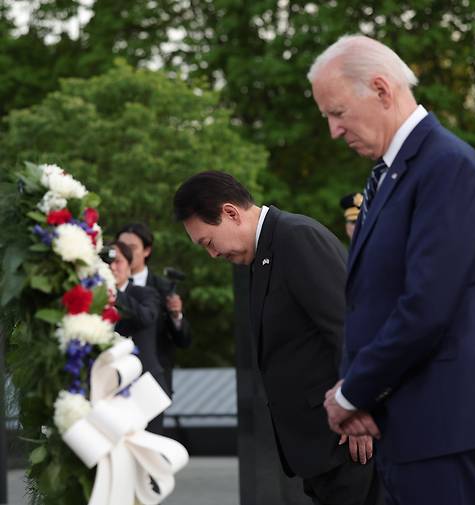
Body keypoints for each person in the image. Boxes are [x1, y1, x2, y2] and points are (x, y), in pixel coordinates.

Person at [308, 35, 475, 504]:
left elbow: (426, 306)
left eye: (337, 112)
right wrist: (357, 393)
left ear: (382, 90)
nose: (333, 131)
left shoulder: (447, 167)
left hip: (439, 423)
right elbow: (369, 297)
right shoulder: (393, 171)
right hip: (407, 420)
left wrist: (350, 393)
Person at [173, 171, 380, 505]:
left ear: (230, 213)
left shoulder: (296, 239)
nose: (212, 255)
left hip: (347, 441)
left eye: (209, 243)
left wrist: (360, 404)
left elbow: (350, 326)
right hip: (320, 446)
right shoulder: (263, 252)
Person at [116, 223, 192, 396]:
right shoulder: (106, 285)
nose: (127, 252)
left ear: (147, 250)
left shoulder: (164, 288)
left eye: (132, 247)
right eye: (122, 247)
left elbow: (184, 340)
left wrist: (176, 315)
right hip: (115, 376)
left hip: (153, 379)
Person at [108, 240, 167, 434]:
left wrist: (116, 296)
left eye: (118, 261)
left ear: (129, 264)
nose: (112, 267)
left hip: (145, 384)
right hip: (109, 385)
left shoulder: (145, 293)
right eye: (106, 262)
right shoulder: (91, 298)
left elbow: (146, 317)